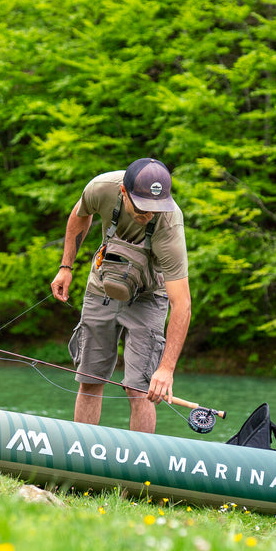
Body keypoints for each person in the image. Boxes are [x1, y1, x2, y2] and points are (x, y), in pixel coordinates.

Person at [49, 157, 191, 433]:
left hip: (149, 297)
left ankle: (138, 471)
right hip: (102, 286)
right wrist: (66, 266)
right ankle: (81, 457)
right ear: (124, 193)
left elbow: (182, 304)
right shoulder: (102, 188)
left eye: (155, 209)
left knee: (138, 388)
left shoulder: (170, 223)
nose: (149, 214)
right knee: (90, 379)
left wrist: (166, 369)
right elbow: (80, 214)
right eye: (142, 208)